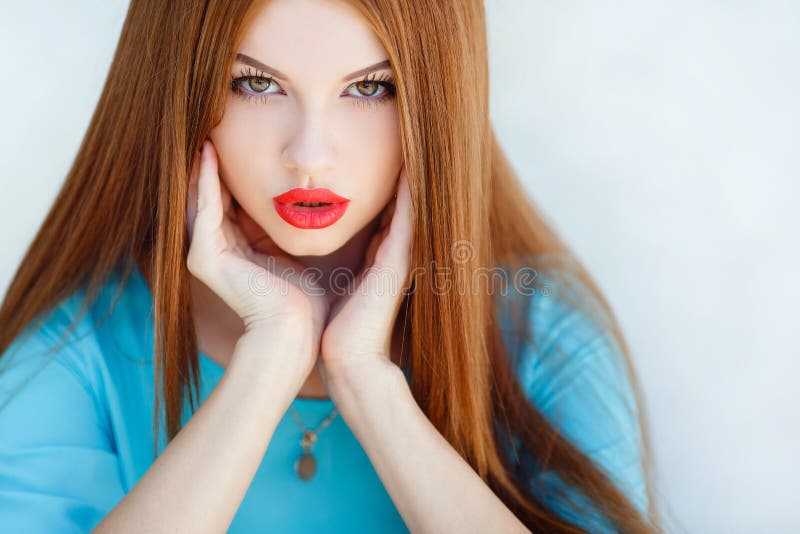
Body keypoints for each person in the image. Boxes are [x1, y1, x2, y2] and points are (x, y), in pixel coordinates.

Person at [0, 0, 662, 532]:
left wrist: (370, 385)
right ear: (180, 93)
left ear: (439, 106)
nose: (310, 155)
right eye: (256, 83)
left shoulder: (540, 334)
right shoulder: (76, 346)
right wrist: (269, 363)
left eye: (371, 87)